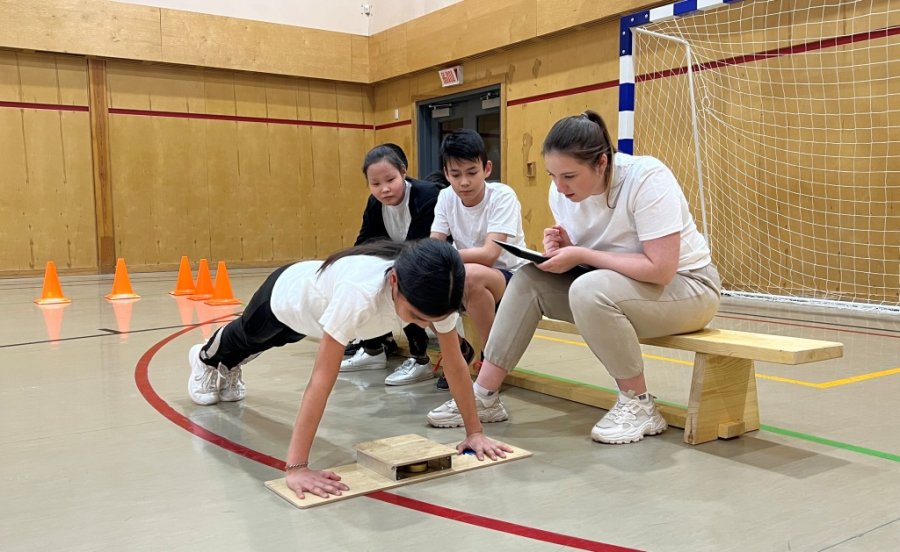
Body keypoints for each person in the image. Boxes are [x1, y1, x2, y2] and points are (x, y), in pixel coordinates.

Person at [427, 110, 721, 444]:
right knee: (528, 279)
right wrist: (566, 249)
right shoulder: (561, 193)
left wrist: (582, 255)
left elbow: (661, 269)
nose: (559, 186)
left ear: (601, 163)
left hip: (689, 288)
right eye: (552, 175)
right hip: (617, 287)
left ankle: (638, 403)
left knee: (588, 289)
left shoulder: (647, 178)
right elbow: (599, 256)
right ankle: (484, 396)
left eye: (568, 176)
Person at [187, 239, 512, 498]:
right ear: (394, 281)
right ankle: (204, 358)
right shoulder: (359, 294)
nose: (427, 325)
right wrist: (296, 468)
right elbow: (321, 380)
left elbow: (455, 364)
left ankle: (229, 365)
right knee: (248, 338)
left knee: (273, 343)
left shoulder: (439, 294)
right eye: (417, 316)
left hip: (315, 319)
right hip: (284, 298)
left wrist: (474, 433)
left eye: (432, 319)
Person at [338, 144, 445, 386]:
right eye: (375, 184)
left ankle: (420, 359)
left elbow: (420, 246)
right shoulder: (375, 203)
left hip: (433, 264)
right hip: (399, 259)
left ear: (403, 172)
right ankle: (373, 347)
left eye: (390, 180)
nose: (384, 189)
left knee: (401, 280)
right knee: (359, 275)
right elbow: (365, 241)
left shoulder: (428, 196)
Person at [429, 128, 527, 391]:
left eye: (472, 172)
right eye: (456, 174)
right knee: (419, 282)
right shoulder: (445, 197)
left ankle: (491, 359)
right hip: (467, 273)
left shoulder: (502, 196)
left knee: (471, 275)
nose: (464, 182)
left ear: (487, 168)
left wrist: (444, 256)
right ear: (446, 173)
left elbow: (489, 254)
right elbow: (434, 244)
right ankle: (458, 350)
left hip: (510, 277)